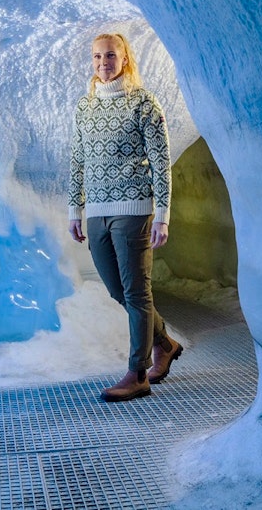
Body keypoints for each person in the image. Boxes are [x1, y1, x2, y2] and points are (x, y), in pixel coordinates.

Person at [68, 32, 183, 402]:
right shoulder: (85, 107)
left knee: (136, 291)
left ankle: (137, 373)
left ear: (125, 59)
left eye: (111, 55)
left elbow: (161, 162)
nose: (104, 62)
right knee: (119, 291)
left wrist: (162, 215)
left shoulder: (143, 103)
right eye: (98, 56)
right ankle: (163, 342)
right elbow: (77, 160)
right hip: (97, 213)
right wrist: (76, 210)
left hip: (134, 209)